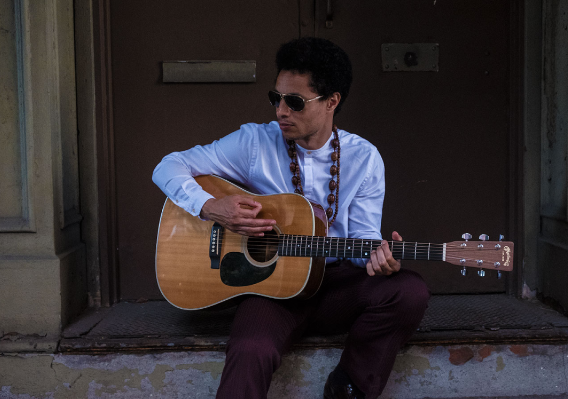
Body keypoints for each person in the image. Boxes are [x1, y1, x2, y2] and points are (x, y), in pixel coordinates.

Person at [153, 37, 430, 399]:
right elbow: (168, 166)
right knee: (251, 350)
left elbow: (363, 237)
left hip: (335, 287)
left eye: (295, 102)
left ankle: (348, 387)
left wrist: (379, 259)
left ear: (331, 101)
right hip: (272, 290)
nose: (281, 111)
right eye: (276, 98)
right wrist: (209, 206)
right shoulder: (254, 143)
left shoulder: (364, 158)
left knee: (409, 291)